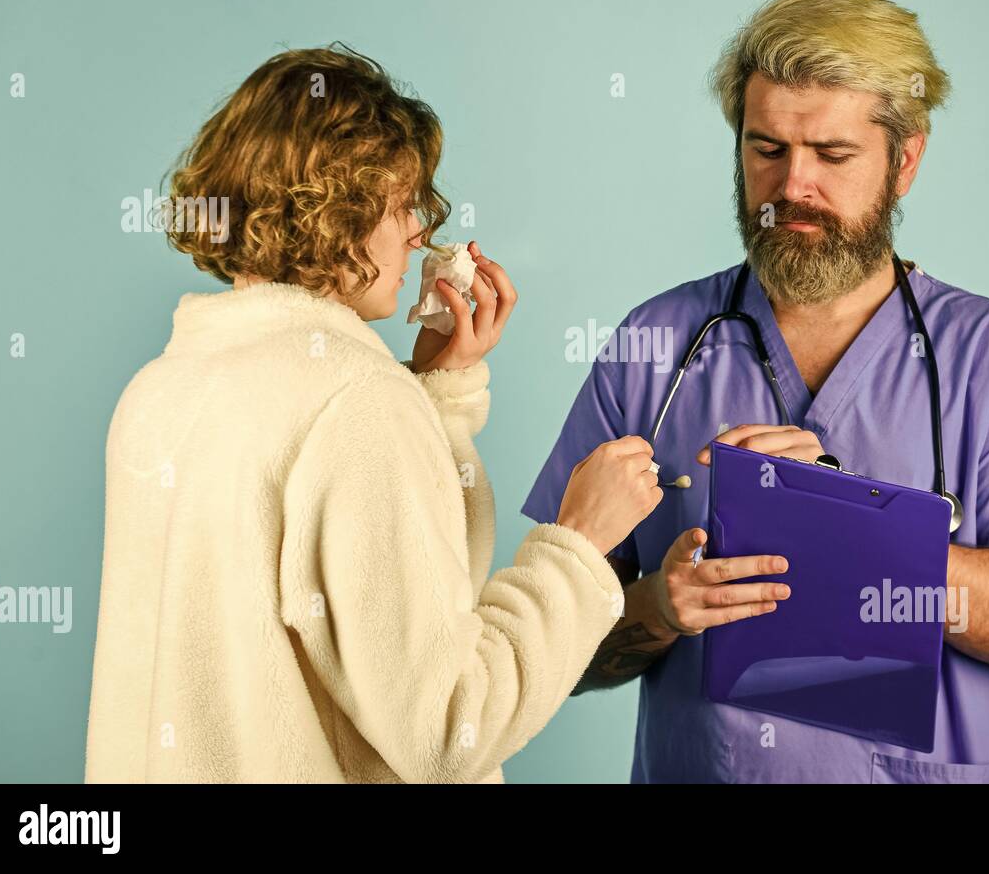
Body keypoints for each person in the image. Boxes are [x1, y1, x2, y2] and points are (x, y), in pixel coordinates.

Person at [523, 0, 989, 783]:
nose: (792, 187)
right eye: (766, 149)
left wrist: (851, 532)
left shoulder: (984, 355)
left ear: (904, 160)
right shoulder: (656, 346)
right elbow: (547, 647)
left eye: (833, 156)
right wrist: (658, 610)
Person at [85, 44, 662, 783]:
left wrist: (436, 395)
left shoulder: (162, 386)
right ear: (334, 212)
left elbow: (368, 606)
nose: (419, 233)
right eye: (400, 206)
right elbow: (449, 728)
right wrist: (578, 549)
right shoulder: (354, 403)